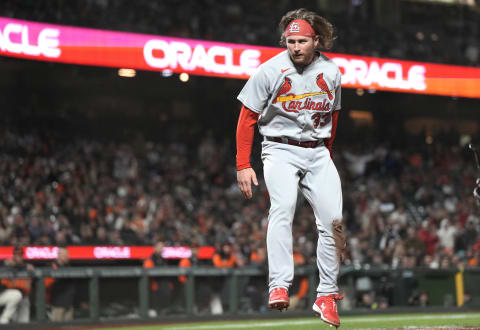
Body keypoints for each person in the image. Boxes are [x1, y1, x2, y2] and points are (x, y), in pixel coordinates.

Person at [236, 8, 345, 327]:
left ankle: (327, 294)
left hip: (318, 151)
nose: (295, 47)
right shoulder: (270, 70)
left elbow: (333, 116)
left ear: (317, 41)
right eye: (290, 41)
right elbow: (247, 118)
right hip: (279, 149)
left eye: (302, 41)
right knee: (282, 207)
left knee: (335, 222)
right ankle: (279, 285)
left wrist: (327, 153)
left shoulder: (332, 71)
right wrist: (243, 164)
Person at [0, 246, 33, 324]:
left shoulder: (28, 267)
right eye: (16, 254)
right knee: (12, 322)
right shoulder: (7, 265)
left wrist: (24, 266)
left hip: (23, 297)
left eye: (20, 254)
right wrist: (6, 264)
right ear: (13, 255)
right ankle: (3, 321)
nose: (18, 256)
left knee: (24, 322)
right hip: (9, 296)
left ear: (23, 256)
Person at [45, 247, 76, 322]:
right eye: (65, 254)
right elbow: (47, 286)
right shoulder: (51, 266)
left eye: (67, 254)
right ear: (59, 255)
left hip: (69, 303)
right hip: (56, 304)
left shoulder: (69, 267)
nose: (67, 256)